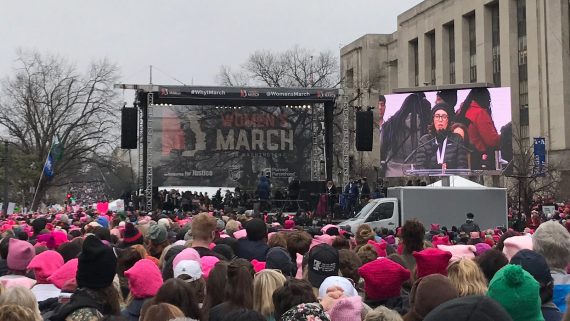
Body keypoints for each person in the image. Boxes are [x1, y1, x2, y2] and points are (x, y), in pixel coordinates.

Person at [455, 88, 500, 169]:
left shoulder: (461, 111)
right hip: (478, 160)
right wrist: (504, 135)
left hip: (460, 159)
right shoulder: (479, 113)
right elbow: (492, 141)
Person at [415, 103, 467, 170]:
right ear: (433, 120)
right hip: (431, 179)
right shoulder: (425, 140)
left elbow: (462, 166)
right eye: (437, 116)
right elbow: (420, 167)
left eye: (444, 116)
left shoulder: (457, 139)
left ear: (448, 120)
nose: (440, 120)